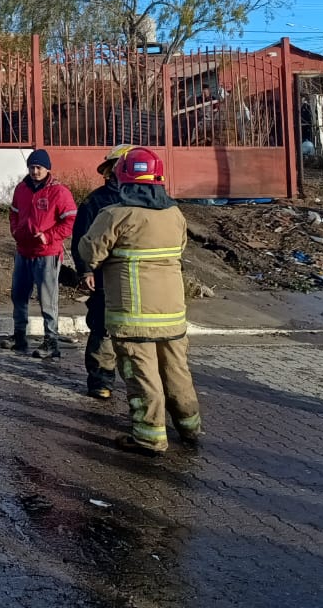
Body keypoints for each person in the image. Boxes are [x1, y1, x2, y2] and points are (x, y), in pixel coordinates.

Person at [77, 147, 202, 455]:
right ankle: (189, 425)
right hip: (172, 313)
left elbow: (88, 252)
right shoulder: (175, 214)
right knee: (176, 370)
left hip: (133, 314)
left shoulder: (115, 214)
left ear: (123, 179)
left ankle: (149, 436)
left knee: (142, 375)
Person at [71, 144, 134, 399]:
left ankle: (137, 383)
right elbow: (81, 239)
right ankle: (101, 380)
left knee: (133, 333)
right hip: (104, 277)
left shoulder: (145, 199)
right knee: (102, 328)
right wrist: (86, 271)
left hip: (134, 278)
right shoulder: (96, 201)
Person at [4, 148, 77, 358]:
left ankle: (51, 341)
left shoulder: (59, 192)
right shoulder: (21, 189)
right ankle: (19, 336)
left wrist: (49, 236)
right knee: (18, 296)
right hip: (23, 251)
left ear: (47, 169)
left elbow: (70, 220)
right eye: (32, 167)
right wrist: (15, 231)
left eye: (39, 167)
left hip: (47, 253)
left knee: (47, 299)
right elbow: (13, 213)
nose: (35, 171)